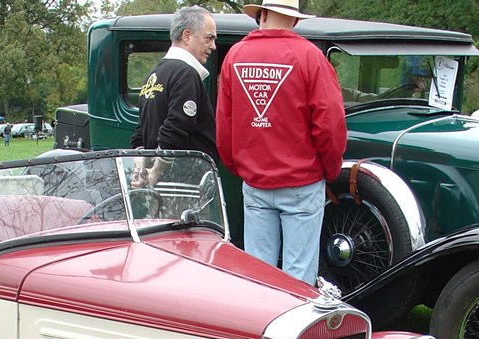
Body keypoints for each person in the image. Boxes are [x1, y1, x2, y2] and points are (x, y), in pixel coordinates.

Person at [216, 0, 346, 285]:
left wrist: (241, 167)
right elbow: (330, 123)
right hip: (302, 181)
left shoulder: (235, 55)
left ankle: (257, 327)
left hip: (255, 181)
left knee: (258, 274)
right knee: (299, 276)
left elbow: (224, 124)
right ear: (295, 20)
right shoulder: (310, 57)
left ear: (261, 14)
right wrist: (330, 169)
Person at [130, 6, 217, 189]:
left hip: (163, 187)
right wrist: (155, 173)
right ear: (187, 36)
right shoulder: (186, 74)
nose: (213, 46)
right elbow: (177, 128)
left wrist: (141, 169)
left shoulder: (154, 74)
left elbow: (140, 132)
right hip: (185, 186)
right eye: (209, 38)